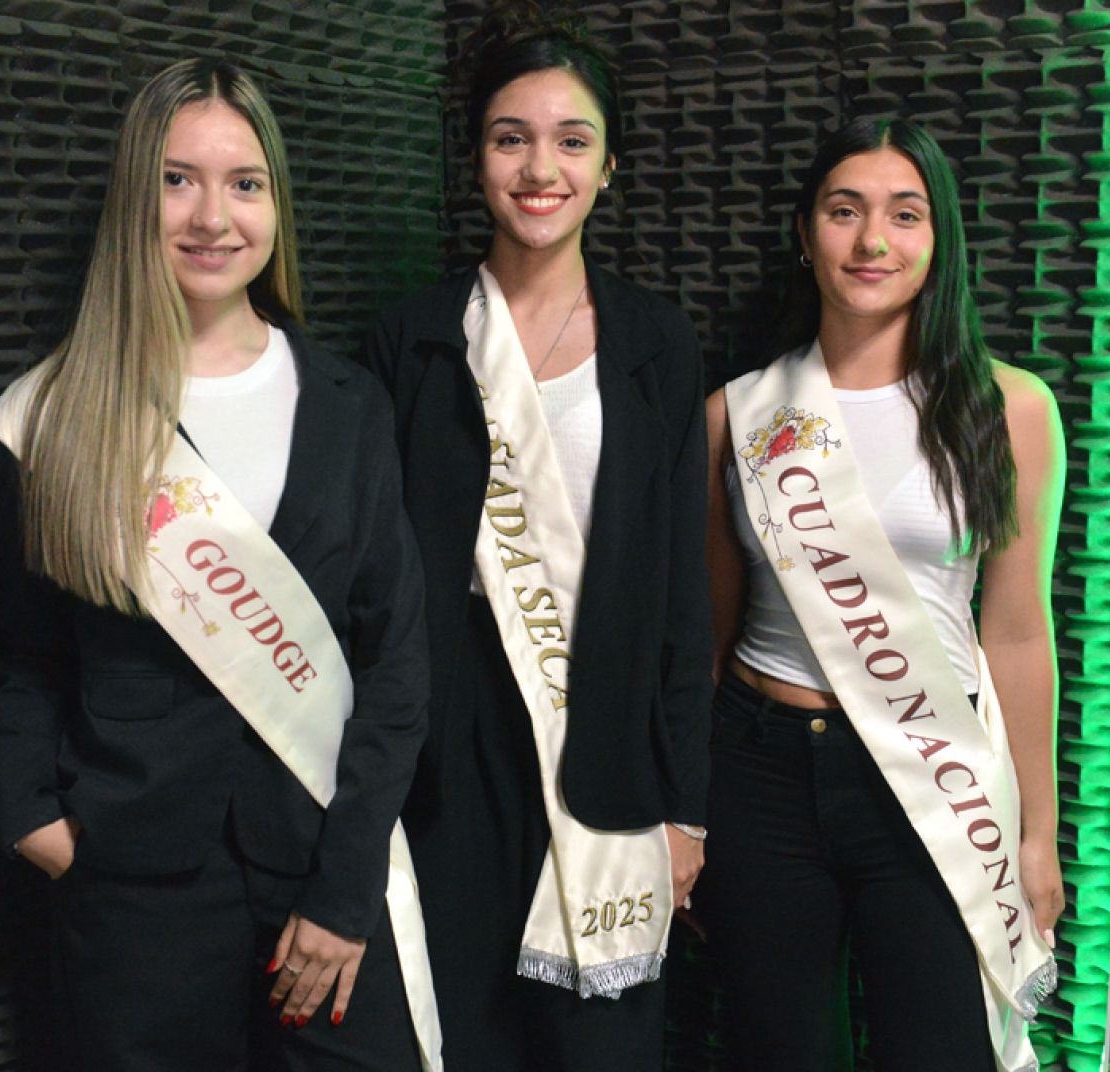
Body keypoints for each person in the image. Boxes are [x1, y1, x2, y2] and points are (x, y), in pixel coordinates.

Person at [0, 58, 438, 1071]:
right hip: (130, 887)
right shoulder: (59, 412)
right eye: (177, 179)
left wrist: (343, 891)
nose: (210, 216)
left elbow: (397, 666)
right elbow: (29, 653)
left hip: (317, 872)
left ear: (275, 204)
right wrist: (35, 818)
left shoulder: (350, 404)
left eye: (244, 183)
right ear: (134, 197)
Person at [357, 3, 712, 1068]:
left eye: (571, 140)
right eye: (510, 137)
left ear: (609, 166)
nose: (538, 167)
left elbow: (680, 593)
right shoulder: (412, 339)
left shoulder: (655, 341)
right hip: (447, 747)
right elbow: (372, 587)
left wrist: (687, 808)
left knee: (601, 1042)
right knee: (458, 1034)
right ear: (476, 159)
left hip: (606, 739)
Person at [697, 117, 1066, 1072]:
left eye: (904, 215)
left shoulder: (1007, 408)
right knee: (778, 1052)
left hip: (928, 771)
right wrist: (684, 811)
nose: (872, 242)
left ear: (938, 238)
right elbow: (709, 629)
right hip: (760, 773)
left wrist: (1037, 835)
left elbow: (1019, 634)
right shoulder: (735, 416)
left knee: (941, 1050)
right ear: (805, 230)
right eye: (844, 211)